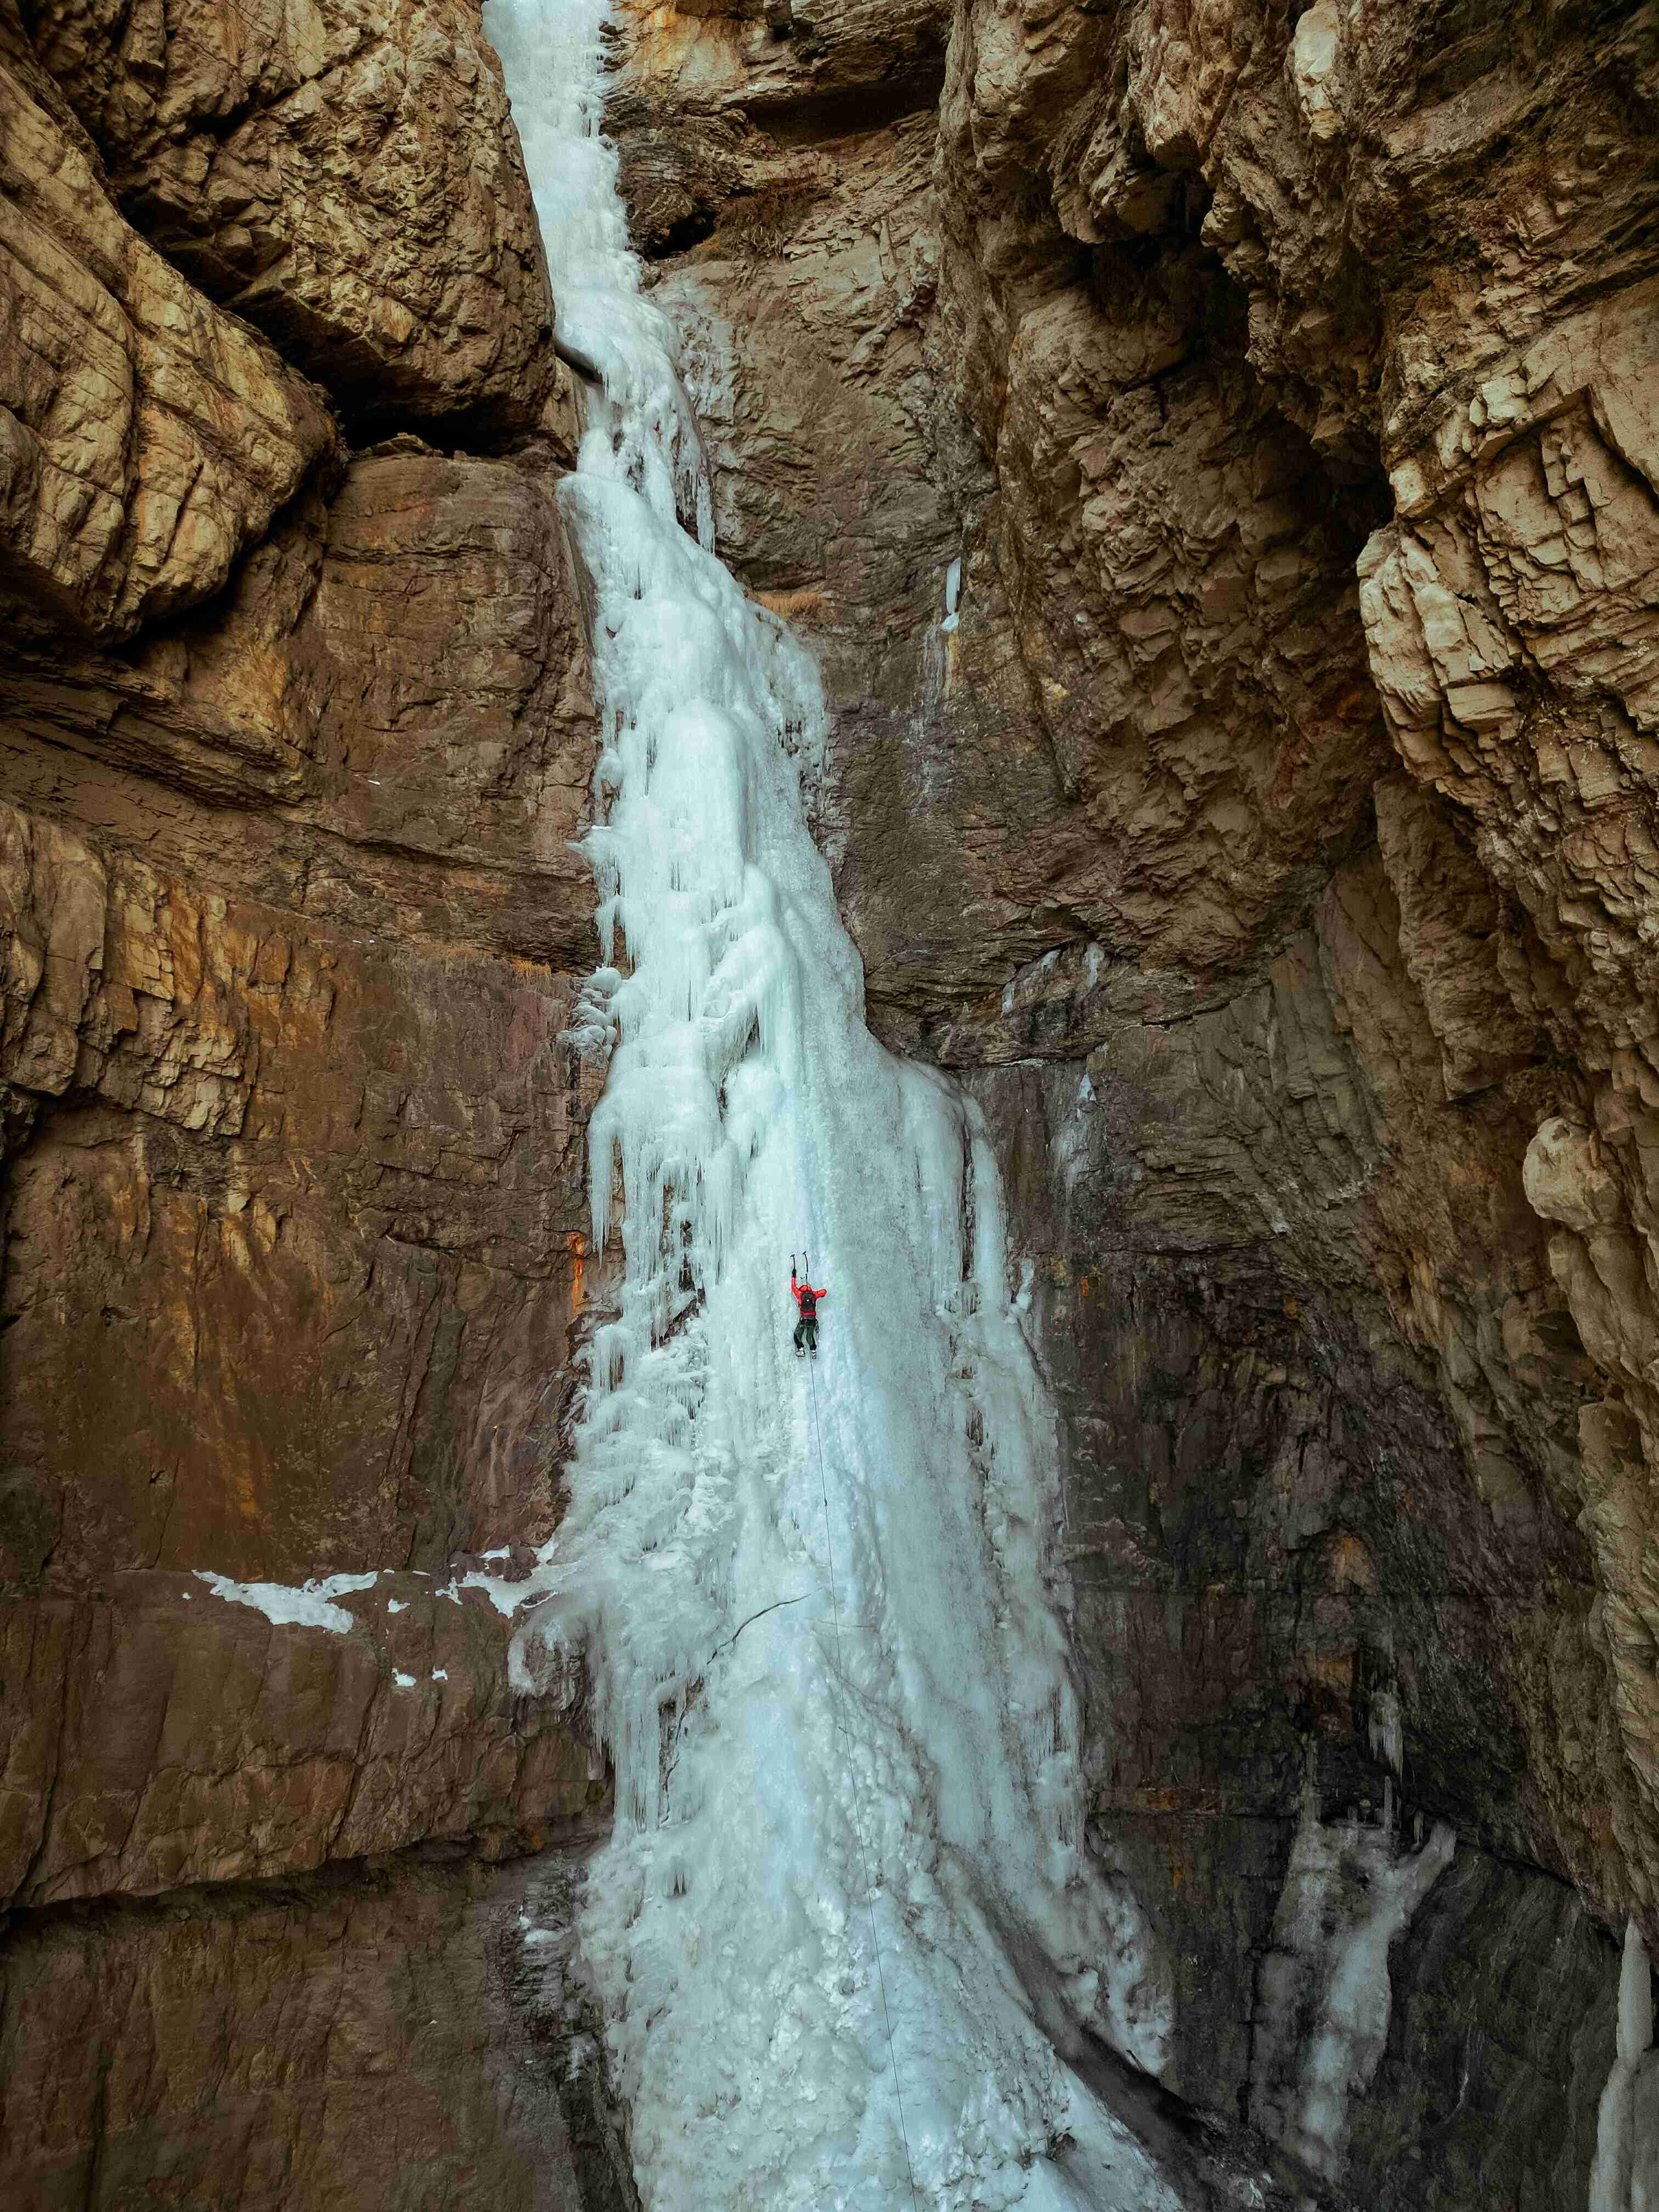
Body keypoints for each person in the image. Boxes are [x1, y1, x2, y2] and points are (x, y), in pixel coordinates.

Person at [791, 1256, 827, 1359]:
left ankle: (801, 1350)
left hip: (804, 1319)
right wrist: (818, 1294)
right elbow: (824, 1292)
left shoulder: (799, 1295)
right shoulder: (814, 1295)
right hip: (812, 1320)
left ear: (802, 1288)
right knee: (809, 1336)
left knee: (797, 1334)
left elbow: (793, 1287)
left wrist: (794, 1275)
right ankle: (813, 1351)